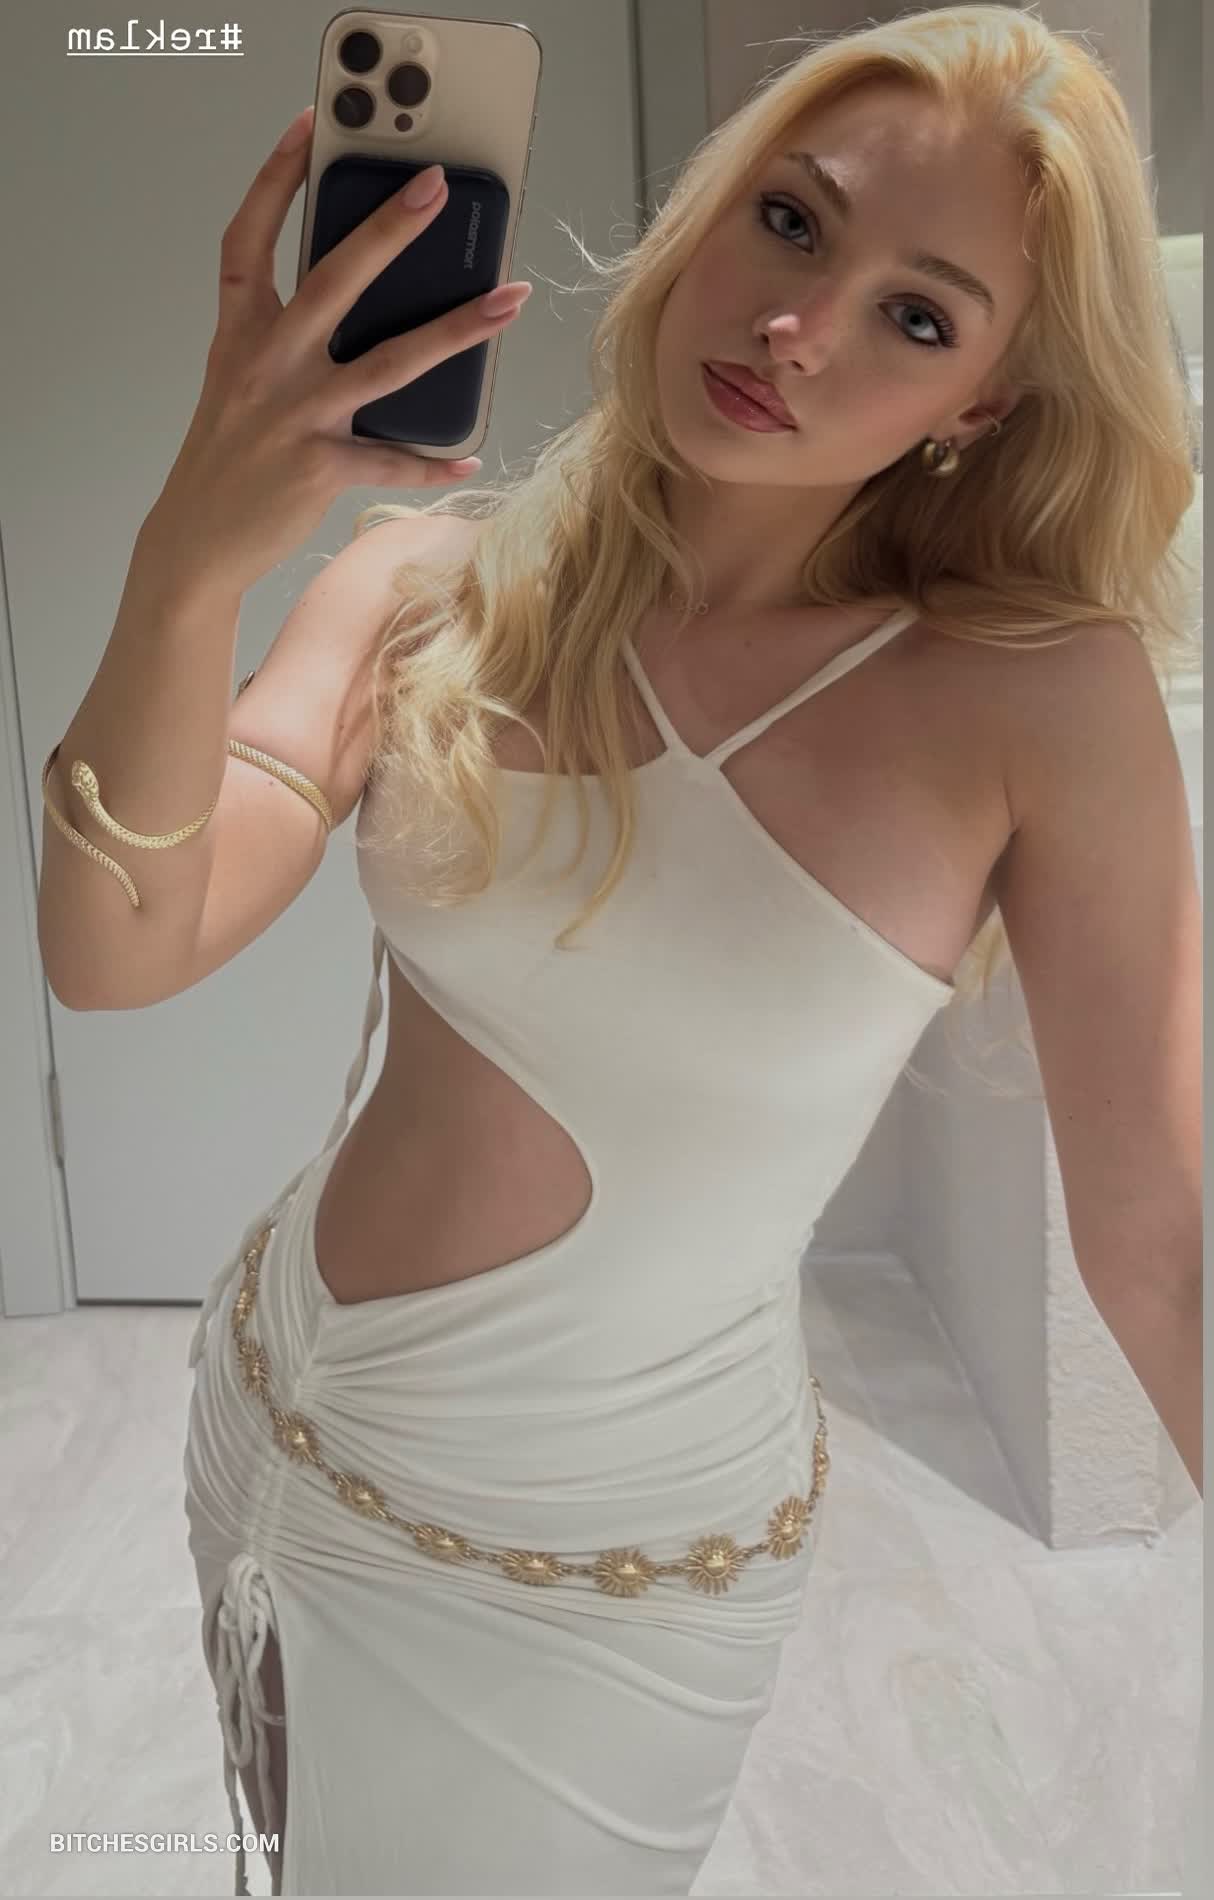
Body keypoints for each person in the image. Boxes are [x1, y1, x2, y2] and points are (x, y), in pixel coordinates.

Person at [38, 5, 1201, 1894]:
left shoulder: (1029, 700)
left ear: (979, 407)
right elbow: (116, 949)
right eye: (791, 221)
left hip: (599, 1575)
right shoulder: (422, 587)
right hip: (273, 1420)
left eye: (917, 317)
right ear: (703, 214)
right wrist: (192, 551)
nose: (798, 327)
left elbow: (1160, 1236)